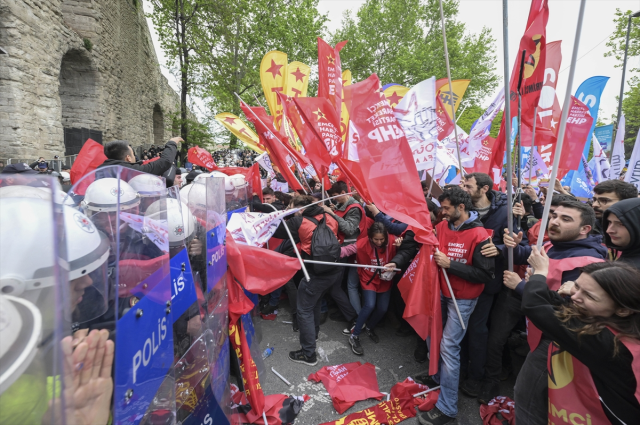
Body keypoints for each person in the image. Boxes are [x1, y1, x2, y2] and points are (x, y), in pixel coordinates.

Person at [501, 200, 607, 424]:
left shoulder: (588, 264)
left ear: (585, 229)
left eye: (565, 219)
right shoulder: (555, 244)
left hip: (554, 341)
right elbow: (530, 256)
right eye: (554, 216)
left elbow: (571, 312)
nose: (555, 222)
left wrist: (520, 286)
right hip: (538, 332)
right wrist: (515, 246)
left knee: (527, 399)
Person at [523, 249, 640, 424]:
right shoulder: (613, 323)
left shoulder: (607, 343)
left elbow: (534, 306)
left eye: (589, 296)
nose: (574, 296)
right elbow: (564, 307)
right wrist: (538, 283)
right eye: (576, 286)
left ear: (623, 310)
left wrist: (540, 274)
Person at [416, 187, 494, 425]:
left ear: (462, 207)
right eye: (442, 207)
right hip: (439, 292)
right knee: (432, 335)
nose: (443, 212)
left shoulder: (480, 235)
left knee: (450, 347)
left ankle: (448, 407)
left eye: (447, 208)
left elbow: (484, 274)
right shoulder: (441, 226)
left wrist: (451, 265)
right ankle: (438, 376)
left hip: (462, 299)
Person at [272, 195, 356, 366]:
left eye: (293, 207)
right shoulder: (330, 217)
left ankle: (308, 353)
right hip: (333, 269)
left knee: (304, 310)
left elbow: (275, 229)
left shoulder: (299, 222)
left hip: (314, 274)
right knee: (315, 303)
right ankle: (313, 334)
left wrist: (288, 214)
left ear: (300, 208)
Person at [458, 172, 519, 398]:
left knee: (478, 329)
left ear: (484, 189)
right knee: (462, 329)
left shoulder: (505, 213)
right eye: (463, 184)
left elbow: (516, 243)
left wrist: (500, 248)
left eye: (468, 185)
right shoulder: (461, 208)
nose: (464, 188)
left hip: (489, 283)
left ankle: (478, 376)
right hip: (462, 278)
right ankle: (461, 370)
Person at [343, 222, 400, 355]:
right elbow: (347, 250)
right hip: (368, 278)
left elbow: (406, 244)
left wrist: (401, 244)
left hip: (385, 279)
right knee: (369, 305)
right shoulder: (362, 243)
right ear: (370, 238)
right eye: (376, 239)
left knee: (382, 309)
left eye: (382, 239)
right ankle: (354, 336)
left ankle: (369, 327)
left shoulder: (393, 240)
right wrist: (331, 251)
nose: (379, 242)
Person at [321, 181, 367, 317]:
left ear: (343, 193)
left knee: (341, 285)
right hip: (343, 248)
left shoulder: (354, 208)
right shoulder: (341, 204)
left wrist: (332, 213)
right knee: (340, 284)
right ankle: (347, 311)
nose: (334, 198)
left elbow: (348, 229)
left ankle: (351, 315)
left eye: (335, 195)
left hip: (349, 249)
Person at [99, 137, 182, 185]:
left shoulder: (100, 171)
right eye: (133, 154)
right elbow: (165, 162)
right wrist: (172, 143)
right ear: (128, 158)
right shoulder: (130, 171)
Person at [603, 197, 640, 267]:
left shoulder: (632, 271)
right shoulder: (629, 255)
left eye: (621, 224)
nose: (609, 230)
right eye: (609, 222)